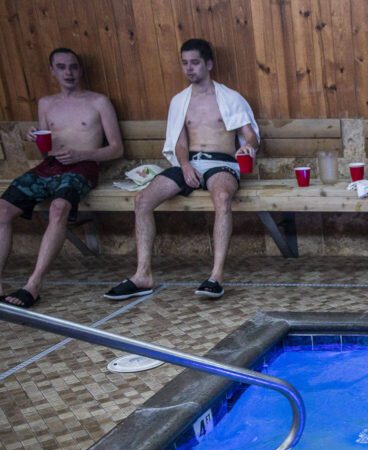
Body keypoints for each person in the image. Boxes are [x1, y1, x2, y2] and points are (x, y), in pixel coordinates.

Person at [104, 38, 259, 301]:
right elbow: (179, 141)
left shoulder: (230, 98)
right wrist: (185, 165)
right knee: (142, 200)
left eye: (195, 62)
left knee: (221, 197)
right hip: (190, 162)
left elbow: (250, 135)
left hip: (222, 162)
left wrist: (249, 148)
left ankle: (216, 276)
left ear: (209, 64)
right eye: (185, 63)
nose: (189, 68)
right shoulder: (179, 101)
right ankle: (143, 274)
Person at [0, 48, 123, 309]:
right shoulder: (46, 104)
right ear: (52, 71)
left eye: (74, 67)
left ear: (80, 70)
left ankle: (33, 285)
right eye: (62, 67)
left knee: (59, 208)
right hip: (50, 166)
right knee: (2, 210)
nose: (69, 72)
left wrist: (82, 154)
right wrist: (36, 139)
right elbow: (45, 152)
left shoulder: (98, 102)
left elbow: (116, 148)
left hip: (84, 167)